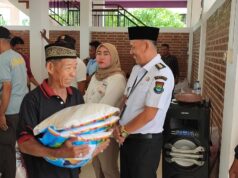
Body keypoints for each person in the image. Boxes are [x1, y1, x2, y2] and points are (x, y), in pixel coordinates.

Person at [16, 41, 109, 178]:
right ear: (50, 67)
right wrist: (57, 153)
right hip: (43, 173)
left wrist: (95, 143)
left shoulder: (76, 95)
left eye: (75, 68)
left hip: (71, 173)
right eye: (68, 68)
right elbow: (24, 142)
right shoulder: (33, 100)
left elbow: (82, 130)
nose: (73, 74)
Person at [113, 26, 174, 178]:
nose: (130, 51)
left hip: (144, 144)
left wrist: (124, 131)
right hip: (127, 138)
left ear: (145, 45)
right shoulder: (136, 69)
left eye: (133, 46)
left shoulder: (161, 73)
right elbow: (125, 99)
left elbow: (149, 113)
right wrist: (117, 123)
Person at [84, 43, 126, 178]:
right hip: (91, 129)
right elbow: (86, 97)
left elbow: (104, 108)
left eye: (106, 53)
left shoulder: (117, 78)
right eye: (98, 53)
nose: (101, 57)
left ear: (113, 57)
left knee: (108, 169)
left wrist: (85, 110)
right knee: (97, 167)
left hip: (106, 131)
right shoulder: (96, 76)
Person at [0, 26, 28, 178]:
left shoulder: (3, 59)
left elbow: (7, 87)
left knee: (6, 149)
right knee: (18, 146)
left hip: (9, 111)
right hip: (21, 108)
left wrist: (1, 113)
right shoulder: (18, 57)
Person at [40, 29, 87, 94]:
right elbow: (52, 44)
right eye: (59, 45)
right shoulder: (57, 61)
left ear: (71, 48)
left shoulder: (79, 64)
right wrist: (45, 37)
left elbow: (81, 89)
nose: (60, 48)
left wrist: (74, 99)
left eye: (64, 46)